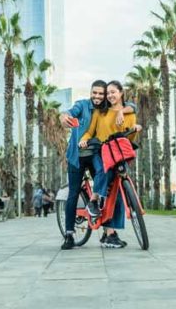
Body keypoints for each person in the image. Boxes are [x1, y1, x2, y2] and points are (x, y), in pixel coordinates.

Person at [58, 79, 136, 250]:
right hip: (77, 156)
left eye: (101, 94)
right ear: (90, 92)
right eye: (95, 93)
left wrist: (123, 110)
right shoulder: (83, 105)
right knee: (73, 193)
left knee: (107, 189)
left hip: (96, 154)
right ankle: (69, 235)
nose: (98, 96)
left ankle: (109, 233)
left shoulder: (107, 109)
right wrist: (64, 116)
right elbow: (69, 112)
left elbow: (130, 105)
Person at [80, 80, 141, 248]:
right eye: (108, 93)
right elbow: (90, 131)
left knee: (119, 192)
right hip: (101, 150)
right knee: (104, 172)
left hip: (118, 153)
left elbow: (127, 139)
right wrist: (84, 140)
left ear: (121, 93)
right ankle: (93, 201)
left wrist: (135, 130)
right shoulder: (101, 112)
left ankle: (110, 233)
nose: (110, 95)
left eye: (113, 92)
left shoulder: (129, 113)